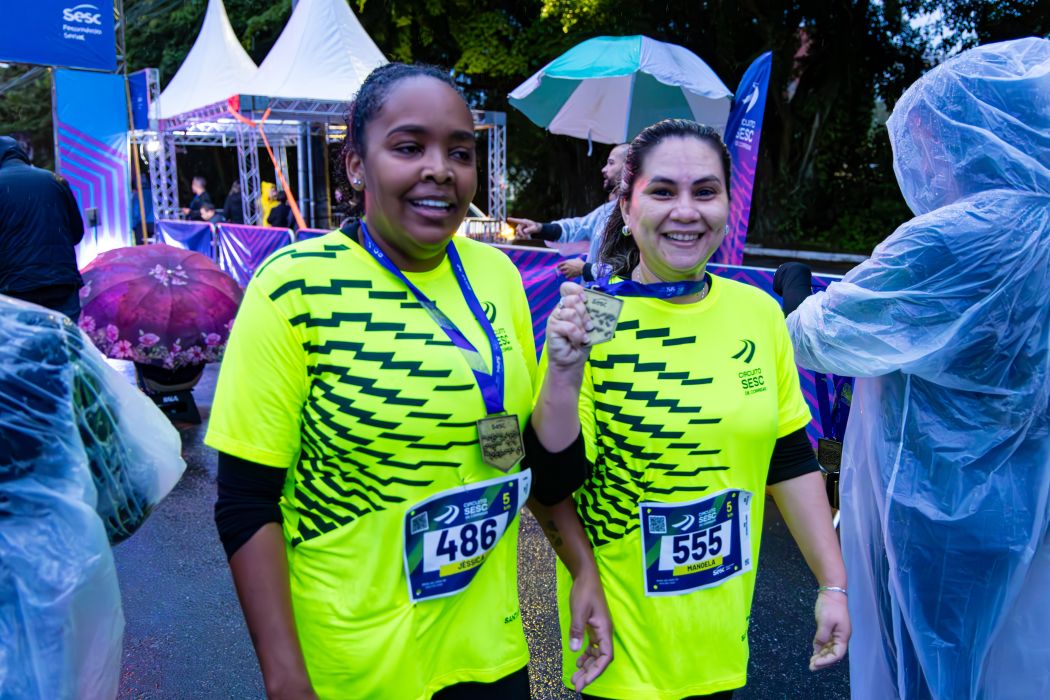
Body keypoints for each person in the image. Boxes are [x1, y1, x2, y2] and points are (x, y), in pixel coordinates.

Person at [206, 62, 595, 700]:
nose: (440, 169)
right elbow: (247, 502)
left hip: (488, 655)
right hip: (358, 664)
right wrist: (285, 678)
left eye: (460, 152)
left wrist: (582, 567)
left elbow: (510, 449)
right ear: (356, 165)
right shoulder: (295, 287)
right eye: (409, 147)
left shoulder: (497, 275)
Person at [529, 119, 850, 699]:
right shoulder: (594, 317)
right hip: (619, 650)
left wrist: (833, 584)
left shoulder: (758, 312)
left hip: (720, 643)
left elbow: (788, 456)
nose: (686, 210)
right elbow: (550, 482)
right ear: (626, 209)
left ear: (727, 206)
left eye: (705, 191)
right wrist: (562, 374)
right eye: (662, 191)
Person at [785, 37, 1050, 700]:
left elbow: (820, 337)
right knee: (1015, 664)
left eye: (933, 143)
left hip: (939, 510)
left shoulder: (958, 236)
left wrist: (791, 293)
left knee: (935, 669)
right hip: (1029, 504)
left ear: (968, 139)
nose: (927, 161)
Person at [509, 144, 627, 281]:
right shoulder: (609, 210)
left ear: (628, 167)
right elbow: (577, 227)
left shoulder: (637, 215)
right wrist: (539, 228)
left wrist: (586, 269)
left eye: (611, 163)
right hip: (597, 293)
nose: (603, 169)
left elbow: (629, 271)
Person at [0, 135, 85, 322]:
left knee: (24, 338)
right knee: (65, 337)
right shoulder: (54, 180)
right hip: (61, 282)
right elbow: (76, 232)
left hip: (15, 287)